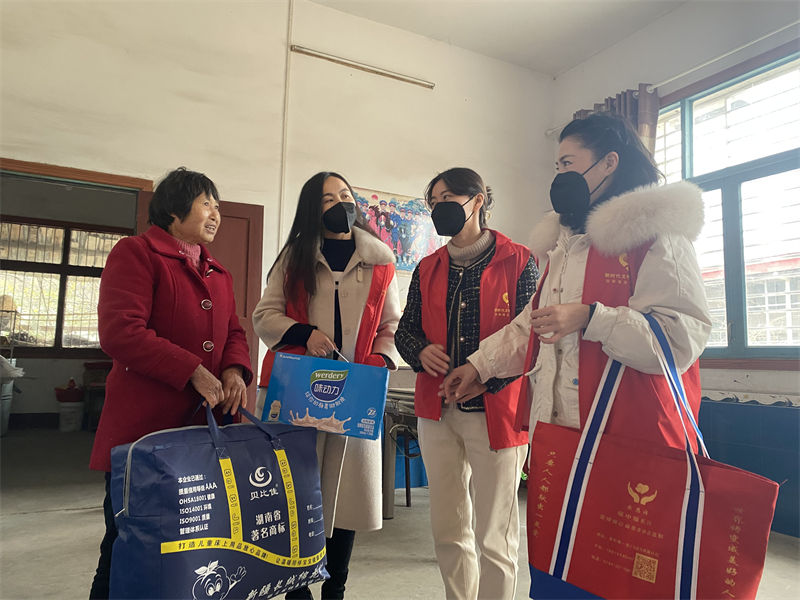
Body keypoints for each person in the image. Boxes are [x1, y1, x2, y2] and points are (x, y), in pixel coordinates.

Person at [443, 114, 711, 594]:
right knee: (561, 565)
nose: (559, 176)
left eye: (568, 163)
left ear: (609, 163)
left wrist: (592, 317)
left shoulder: (657, 236)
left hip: (627, 438)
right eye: (557, 166)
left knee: (618, 573)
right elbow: (533, 324)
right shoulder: (565, 246)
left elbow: (680, 339)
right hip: (561, 438)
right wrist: (478, 366)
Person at [88, 167, 253, 598]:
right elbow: (121, 331)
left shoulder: (218, 272)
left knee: (195, 552)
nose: (215, 213)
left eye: (218, 205)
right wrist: (192, 370)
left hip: (204, 434)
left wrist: (234, 370)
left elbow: (234, 332)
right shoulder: (136, 253)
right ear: (175, 211)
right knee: (127, 548)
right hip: (146, 434)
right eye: (205, 204)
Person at [252, 171, 401, 600]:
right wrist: (304, 333)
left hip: (355, 393)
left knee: (346, 498)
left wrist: (378, 360)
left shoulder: (381, 261)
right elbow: (265, 315)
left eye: (345, 195)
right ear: (311, 210)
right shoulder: (294, 258)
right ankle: (296, 589)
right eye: (327, 199)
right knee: (295, 495)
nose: (340, 204)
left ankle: (336, 588)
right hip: (299, 392)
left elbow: (391, 325)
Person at [394, 167, 539, 600]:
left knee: (495, 535)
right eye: (434, 202)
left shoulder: (519, 260)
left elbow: (531, 338)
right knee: (449, 528)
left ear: (477, 201)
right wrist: (420, 351)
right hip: (437, 411)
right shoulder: (427, 267)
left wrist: (486, 378)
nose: (440, 208)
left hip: (497, 411)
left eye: (448, 199)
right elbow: (405, 330)